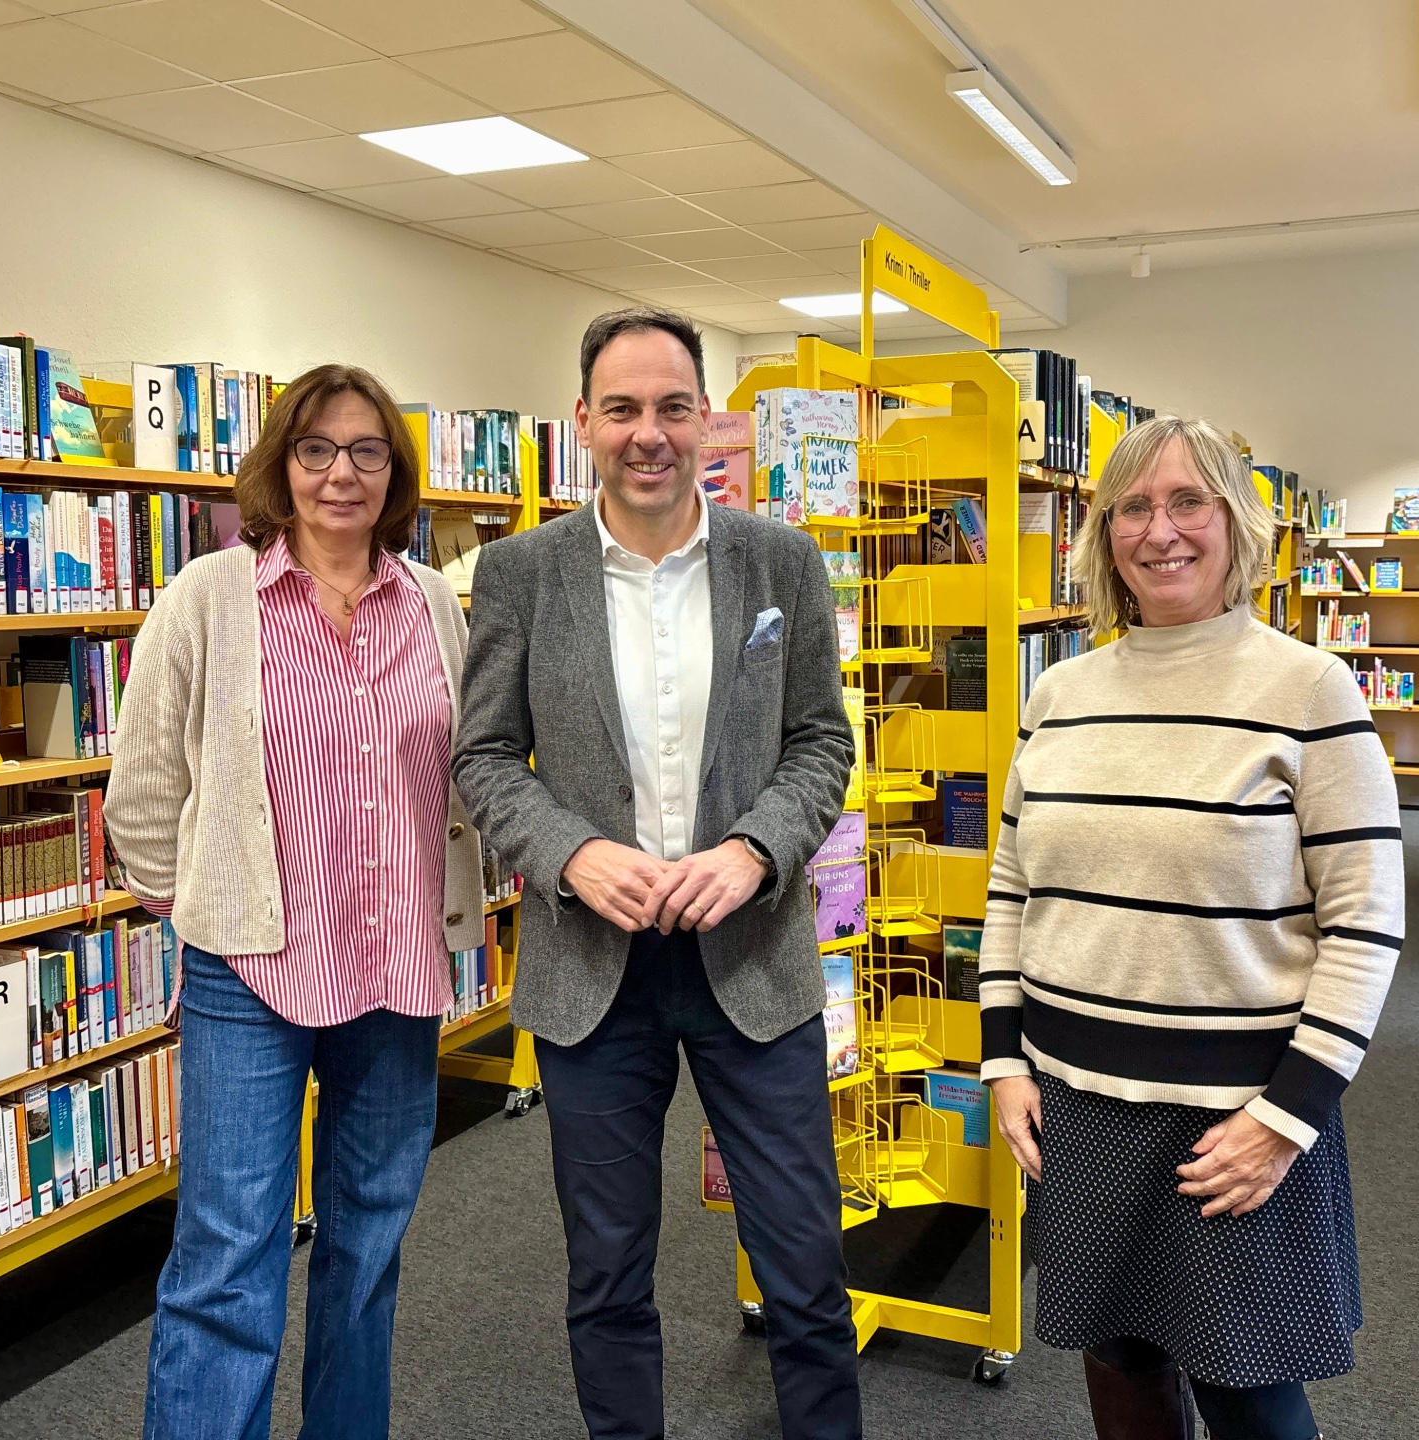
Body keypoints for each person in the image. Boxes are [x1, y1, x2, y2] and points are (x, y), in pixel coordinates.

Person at [453, 307, 860, 1440]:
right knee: (608, 1275)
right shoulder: (522, 573)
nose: (649, 433)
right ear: (581, 421)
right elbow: (484, 757)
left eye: (672, 407)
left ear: (704, 420)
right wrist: (573, 853)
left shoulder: (781, 559)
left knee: (805, 1269)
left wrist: (753, 849)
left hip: (754, 959)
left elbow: (823, 741)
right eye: (622, 409)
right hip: (594, 974)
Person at [981, 415, 1403, 1440]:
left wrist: (1284, 1120)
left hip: (1231, 1118)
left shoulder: (1309, 689)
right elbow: (1009, 886)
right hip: (1078, 1107)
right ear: (1103, 533)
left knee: (1251, 1396)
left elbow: (1366, 923)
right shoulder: (1060, 695)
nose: (1159, 531)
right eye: (1133, 506)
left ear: (1235, 525)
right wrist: (1004, 1062)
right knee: (1121, 1378)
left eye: (1188, 502)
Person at [106, 364, 486, 1440]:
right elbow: (142, 795)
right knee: (229, 1259)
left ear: (395, 473)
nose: (340, 474)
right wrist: (201, 899)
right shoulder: (208, 600)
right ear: (280, 464)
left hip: (396, 971)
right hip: (249, 975)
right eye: (317, 449)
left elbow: (464, 779)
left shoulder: (432, 609)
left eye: (368, 451)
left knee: (367, 1250)